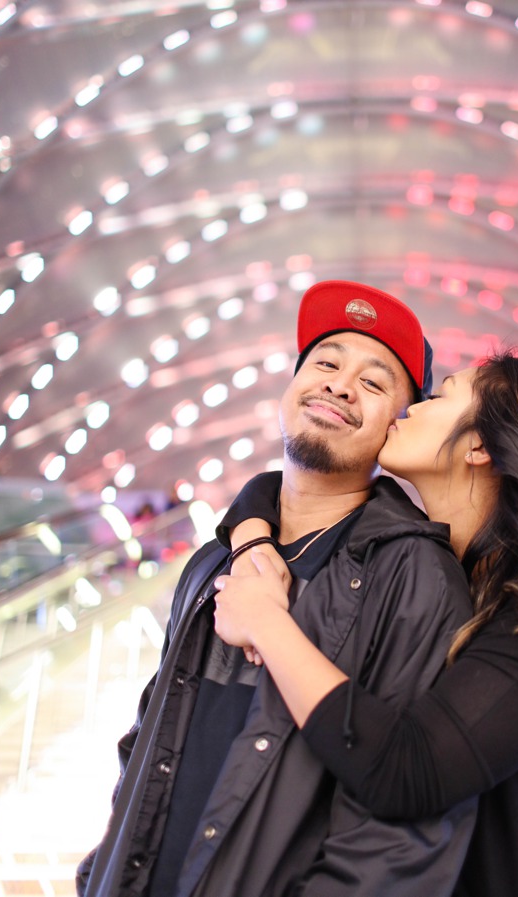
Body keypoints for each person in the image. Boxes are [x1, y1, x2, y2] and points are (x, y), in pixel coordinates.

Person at [77, 280, 477, 897]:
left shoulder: (415, 577)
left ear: (396, 432)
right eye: (325, 363)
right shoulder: (215, 561)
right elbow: (150, 738)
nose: (340, 385)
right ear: (290, 387)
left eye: (374, 384)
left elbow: (402, 837)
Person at [213, 352, 518, 897]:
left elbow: (408, 770)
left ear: (480, 445)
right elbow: (282, 490)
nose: (411, 408)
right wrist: (252, 529)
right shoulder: (446, 573)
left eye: (438, 398)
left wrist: (269, 625)